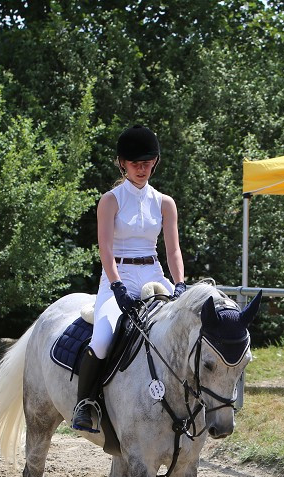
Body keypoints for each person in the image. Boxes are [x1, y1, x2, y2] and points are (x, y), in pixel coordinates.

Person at [71, 125, 187, 433]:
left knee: (182, 330)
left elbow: (173, 249)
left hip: (153, 272)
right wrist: (116, 284)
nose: (142, 168)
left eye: (148, 162)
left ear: (155, 162)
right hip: (117, 275)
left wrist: (181, 284)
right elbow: (105, 248)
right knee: (101, 339)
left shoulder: (165, 202)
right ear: (122, 163)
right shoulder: (111, 200)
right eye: (135, 163)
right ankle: (86, 403)